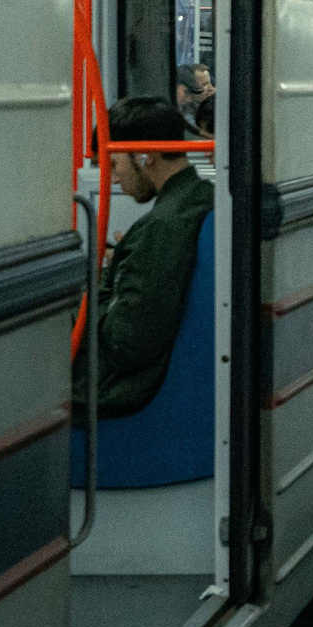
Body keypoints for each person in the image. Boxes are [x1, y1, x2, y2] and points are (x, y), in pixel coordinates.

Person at [75, 96, 212, 421]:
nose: (115, 180)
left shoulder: (160, 227)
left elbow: (125, 345)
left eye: (114, 166)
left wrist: (103, 287)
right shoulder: (196, 196)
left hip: (123, 387)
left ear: (145, 155)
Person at [174, 63, 215, 135]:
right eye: (204, 85)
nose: (211, 89)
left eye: (210, 83)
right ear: (186, 93)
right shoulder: (189, 120)